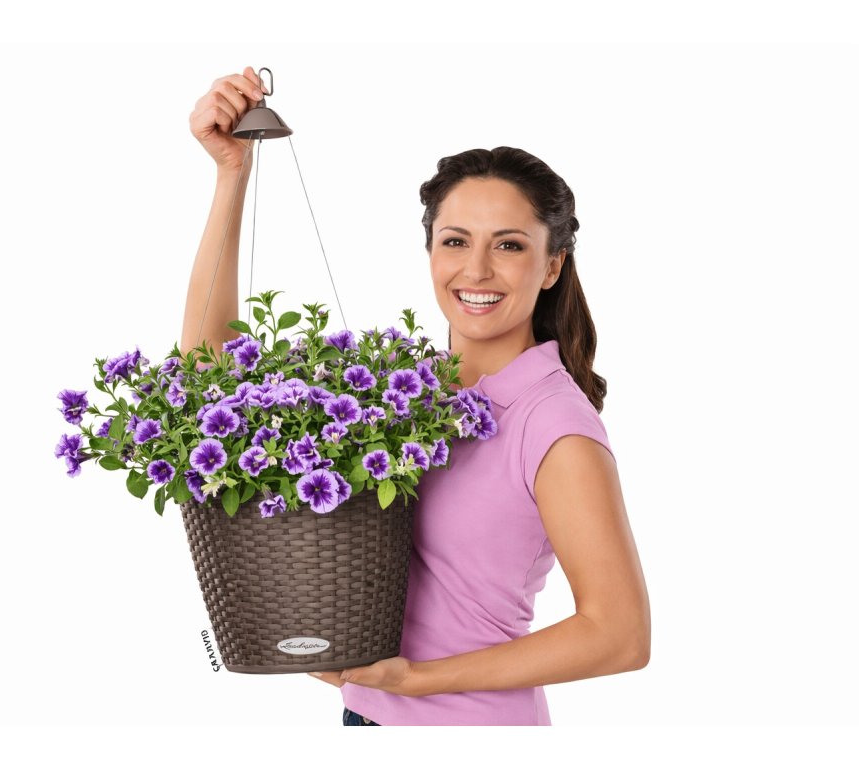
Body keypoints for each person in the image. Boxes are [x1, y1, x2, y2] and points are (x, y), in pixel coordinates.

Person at [185, 66, 650, 726]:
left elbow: (620, 634)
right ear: (430, 249)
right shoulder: (403, 393)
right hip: (369, 718)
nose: (477, 269)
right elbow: (209, 386)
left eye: (509, 245)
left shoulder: (552, 423)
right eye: (456, 241)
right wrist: (233, 174)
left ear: (552, 265)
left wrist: (416, 681)